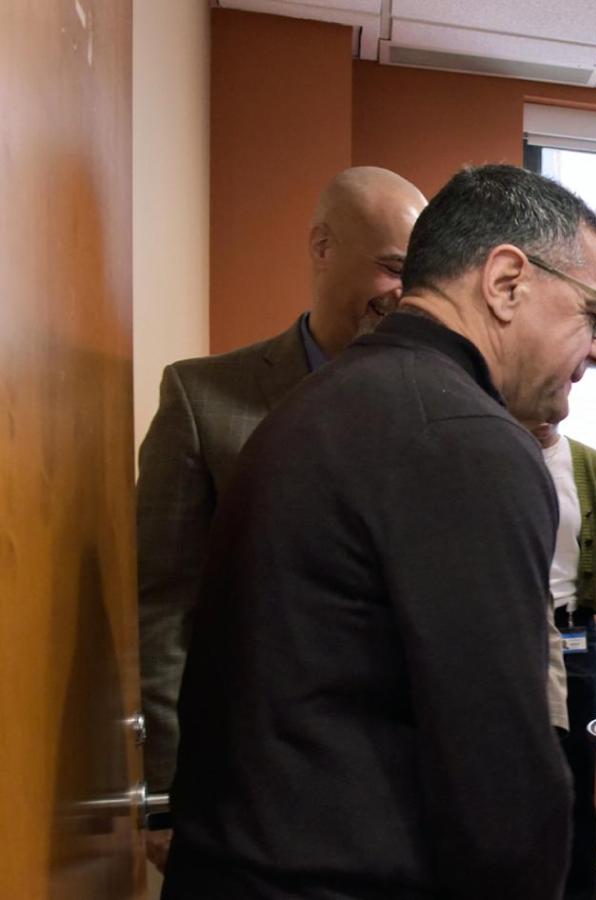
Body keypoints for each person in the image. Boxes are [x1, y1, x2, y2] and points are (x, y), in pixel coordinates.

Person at [162, 164, 596, 898]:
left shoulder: (323, 402)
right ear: (506, 282)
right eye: (593, 312)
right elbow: (497, 770)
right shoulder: (466, 439)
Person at [136, 166, 425, 870]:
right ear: (323, 247)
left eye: (416, 276)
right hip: (244, 786)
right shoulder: (204, 398)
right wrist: (169, 789)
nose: (404, 295)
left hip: (396, 791)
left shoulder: (436, 408)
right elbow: (162, 605)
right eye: (392, 268)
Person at [526, 421, 596, 900]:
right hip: (510, 630)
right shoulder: (497, 453)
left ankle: (578, 889)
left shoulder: (589, 465)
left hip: (573, 631)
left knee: (575, 772)